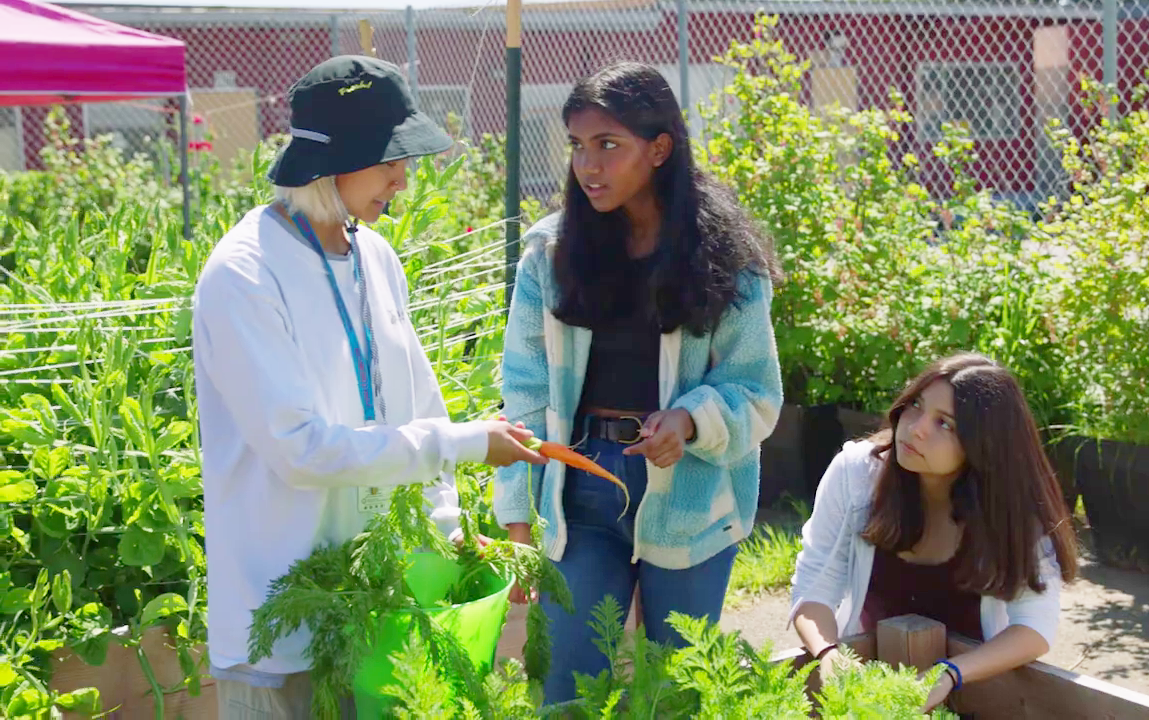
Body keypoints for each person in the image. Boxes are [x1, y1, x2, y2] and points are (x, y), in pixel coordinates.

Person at [191, 55, 545, 719]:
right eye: (389, 160)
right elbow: (301, 450)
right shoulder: (244, 273)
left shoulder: (375, 257)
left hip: (379, 607)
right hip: (281, 625)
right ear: (336, 162)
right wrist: (464, 443)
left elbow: (415, 405)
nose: (403, 179)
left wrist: (448, 531)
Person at [492, 60, 784, 705]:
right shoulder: (550, 253)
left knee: (674, 691)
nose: (588, 166)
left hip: (692, 489)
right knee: (567, 688)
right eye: (577, 146)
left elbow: (756, 391)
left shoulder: (728, 261)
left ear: (658, 150)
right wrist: (517, 524)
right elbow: (525, 392)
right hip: (580, 488)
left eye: (608, 146)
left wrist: (688, 420)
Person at [789, 353, 1078, 714]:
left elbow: (1034, 629)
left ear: (984, 447)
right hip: (870, 698)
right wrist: (829, 655)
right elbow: (814, 584)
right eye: (916, 405)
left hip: (975, 695)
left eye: (945, 424)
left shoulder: (1014, 513)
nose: (917, 428)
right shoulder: (856, 474)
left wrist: (949, 675)